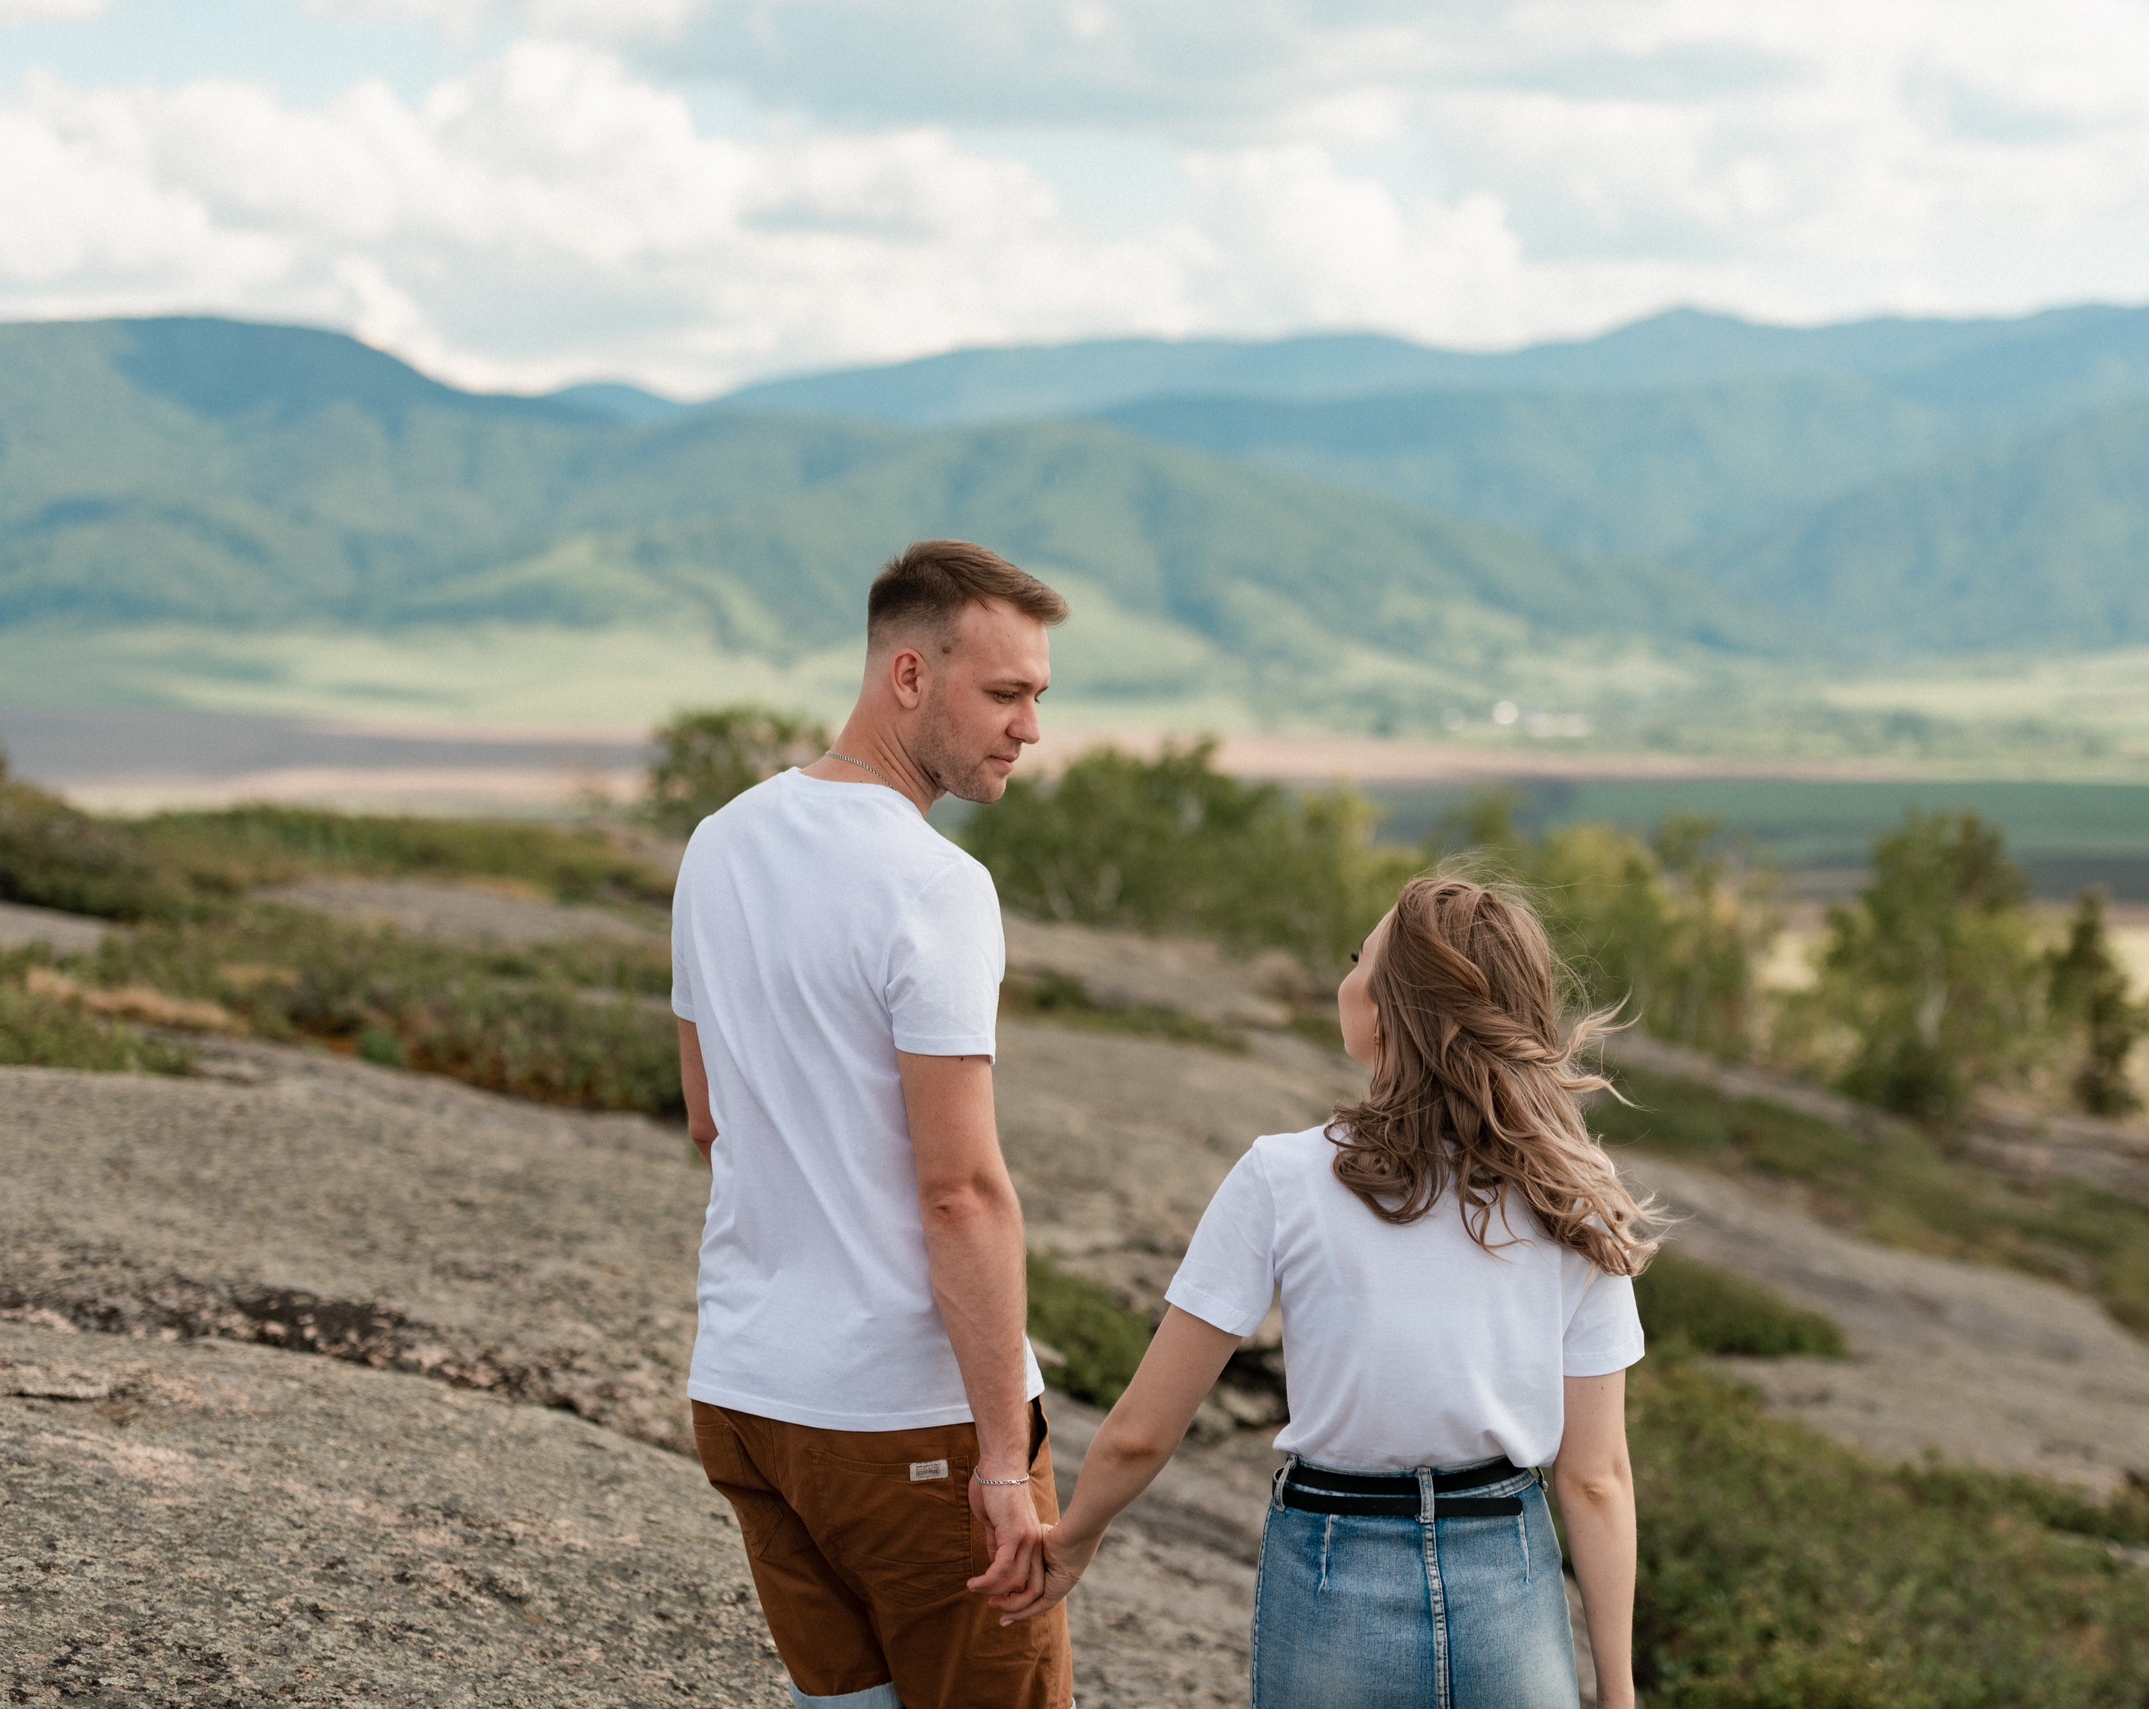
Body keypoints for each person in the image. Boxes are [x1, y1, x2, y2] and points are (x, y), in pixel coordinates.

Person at [993, 876, 1659, 1709]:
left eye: (1361, 959)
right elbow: (1596, 1476)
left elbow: (1140, 1433)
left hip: (1334, 1558)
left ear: (1387, 1011)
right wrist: (1620, 1688)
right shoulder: (1573, 1191)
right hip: (1508, 1569)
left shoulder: (1283, 1176)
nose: (1347, 976)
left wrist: (1076, 1538)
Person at [671, 539, 1073, 1709]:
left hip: (748, 1396)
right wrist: (1004, 1459)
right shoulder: (932, 881)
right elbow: (960, 1190)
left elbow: (709, 1116)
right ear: (909, 674)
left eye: (1038, 695)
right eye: (1004, 692)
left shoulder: (719, 840)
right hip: (906, 1415)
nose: (1028, 727)